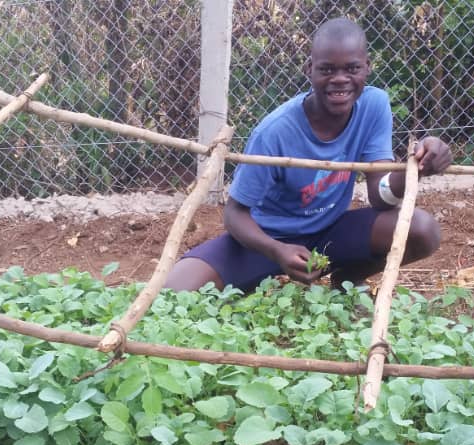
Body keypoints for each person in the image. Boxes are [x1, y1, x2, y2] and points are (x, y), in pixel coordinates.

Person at [164, 17, 451, 292]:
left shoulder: (374, 106)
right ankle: (257, 279)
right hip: (267, 239)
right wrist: (277, 251)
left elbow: (381, 195)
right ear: (309, 69)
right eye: (327, 70)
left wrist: (417, 166)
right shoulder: (275, 131)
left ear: (367, 67)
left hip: (331, 233)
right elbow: (234, 215)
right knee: (175, 290)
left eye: (352, 69)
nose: (340, 79)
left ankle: (346, 280)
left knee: (422, 229)